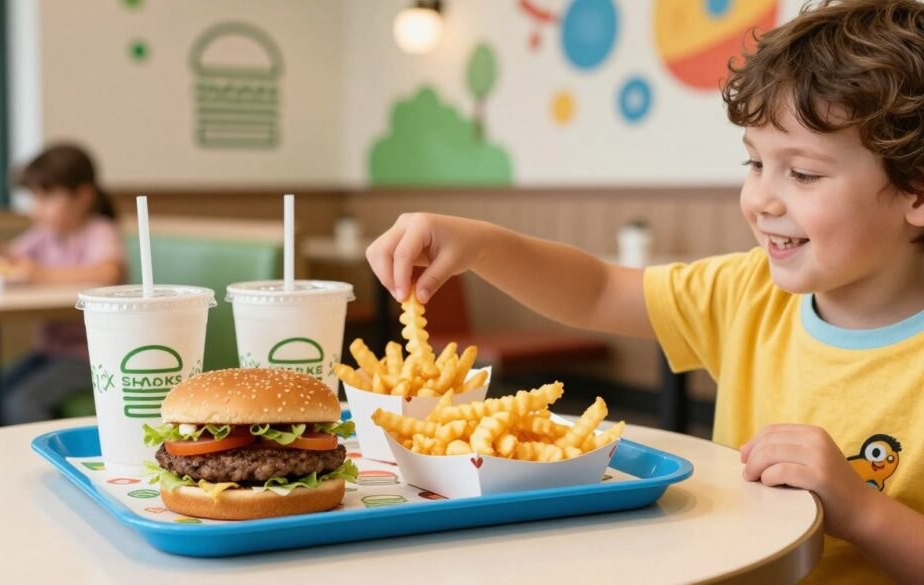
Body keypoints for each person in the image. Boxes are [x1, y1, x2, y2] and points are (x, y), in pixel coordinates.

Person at [365, 1, 924, 582]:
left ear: (915, 191)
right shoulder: (745, 292)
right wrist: (482, 246)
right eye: (755, 163)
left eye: (803, 173)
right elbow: (597, 290)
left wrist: (863, 511)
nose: (761, 199)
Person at [0, 143, 124, 424]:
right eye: (34, 197)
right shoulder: (46, 233)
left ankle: (40, 461)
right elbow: (12, 257)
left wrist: (41, 273)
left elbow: (110, 273)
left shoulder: (99, 230)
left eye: (47, 197)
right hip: (50, 350)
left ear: (83, 195)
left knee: (23, 400)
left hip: (91, 355)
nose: (37, 208)